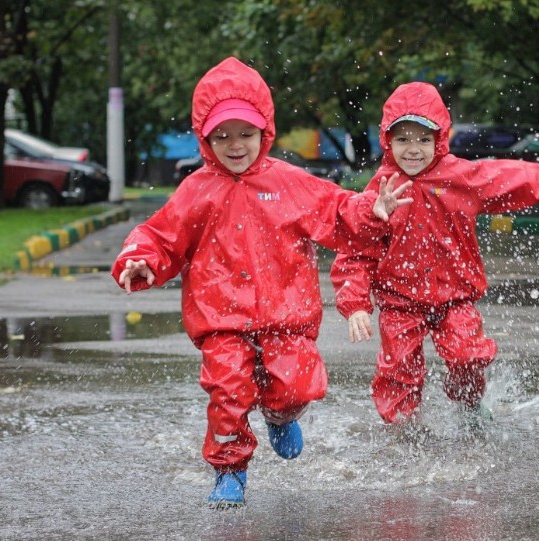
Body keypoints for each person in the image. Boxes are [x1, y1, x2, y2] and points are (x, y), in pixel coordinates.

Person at [111, 57, 412, 509]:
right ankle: (230, 470)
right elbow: (161, 235)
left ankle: (279, 413)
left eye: (246, 134)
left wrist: (371, 210)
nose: (235, 145)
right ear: (206, 137)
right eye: (222, 135)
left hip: (285, 315)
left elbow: (334, 210)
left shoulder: (288, 182)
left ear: (265, 132)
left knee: (297, 387)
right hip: (221, 320)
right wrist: (141, 260)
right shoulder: (197, 189)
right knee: (228, 393)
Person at [330, 82, 539, 428]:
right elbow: (356, 247)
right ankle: (404, 431)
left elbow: (508, 178)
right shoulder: (382, 189)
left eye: (423, 139)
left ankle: (470, 403)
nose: (412, 150)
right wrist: (355, 304)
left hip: (455, 297)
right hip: (399, 302)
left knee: (469, 357)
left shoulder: (459, 176)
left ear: (439, 139)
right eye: (402, 140)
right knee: (398, 370)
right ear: (387, 141)